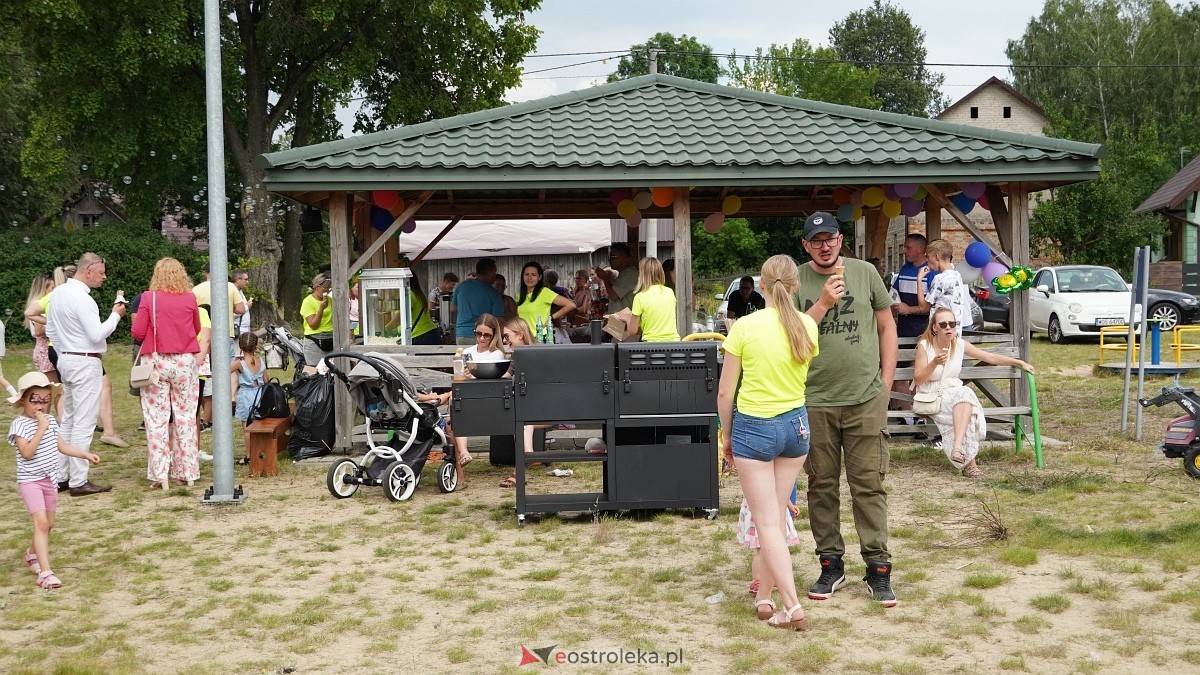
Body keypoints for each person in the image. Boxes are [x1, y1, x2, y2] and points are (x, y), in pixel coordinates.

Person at [792, 212, 899, 608]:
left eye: (830, 238)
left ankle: (878, 568)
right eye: (815, 240)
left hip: (865, 398)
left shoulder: (865, 272)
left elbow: (887, 326)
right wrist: (822, 303)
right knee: (821, 486)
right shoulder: (795, 281)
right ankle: (830, 563)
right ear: (805, 246)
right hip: (814, 399)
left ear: (840, 240)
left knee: (868, 485)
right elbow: (791, 337)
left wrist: (886, 384)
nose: (824, 245)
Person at [718, 254, 819, 630]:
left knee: (767, 524)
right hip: (797, 427)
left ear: (761, 285)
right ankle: (769, 600)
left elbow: (725, 393)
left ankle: (792, 606)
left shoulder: (744, 326)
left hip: (754, 426)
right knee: (775, 519)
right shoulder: (808, 325)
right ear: (796, 285)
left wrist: (727, 437)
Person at [913, 306, 1034, 478]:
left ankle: (957, 449)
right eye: (943, 324)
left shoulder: (960, 344)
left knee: (965, 395)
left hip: (954, 391)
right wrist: (934, 363)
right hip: (932, 393)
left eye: (952, 324)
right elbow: (918, 379)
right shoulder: (925, 346)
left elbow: (989, 357)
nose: (948, 328)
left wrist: (1019, 363)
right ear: (934, 327)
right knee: (967, 410)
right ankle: (970, 464)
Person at [8, 371, 100, 589]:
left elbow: (62, 446)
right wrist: (40, 429)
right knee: (40, 523)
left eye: (45, 400)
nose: (40, 406)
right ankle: (46, 573)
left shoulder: (50, 420)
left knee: (49, 524)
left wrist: (84, 454)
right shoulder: (19, 425)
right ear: (23, 401)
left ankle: (31, 554)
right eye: (35, 400)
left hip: (50, 480)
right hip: (30, 481)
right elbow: (27, 452)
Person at [45, 253, 124, 497]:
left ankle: (59, 477)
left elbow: (50, 329)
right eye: (101, 272)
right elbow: (96, 334)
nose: (104, 277)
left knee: (68, 418)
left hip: (66, 357)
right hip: (84, 359)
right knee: (84, 420)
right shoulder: (82, 299)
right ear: (87, 270)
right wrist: (115, 315)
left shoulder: (57, 294)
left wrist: (63, 352)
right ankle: (79, 480)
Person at [132, 258, 203, 490]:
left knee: (156, 419)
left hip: (156, 359)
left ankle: (160, 474)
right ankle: (188, 472)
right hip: (185, 360)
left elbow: (138, 331)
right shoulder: (190, 298)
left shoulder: (148, 298)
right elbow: (197, 328)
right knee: (186, 416)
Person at [450, 314, 506, 486]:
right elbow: (460, 377)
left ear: (494, 335)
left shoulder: (496, 354)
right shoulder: (467, 353)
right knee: (452, 418)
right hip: (467, 400)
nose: (481, 338)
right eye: (478, 333)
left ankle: (463, 457)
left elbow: (488, 380)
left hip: (487, 402)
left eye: (486, 335)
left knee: (455, 410)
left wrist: (470, 377)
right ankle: (463, 460)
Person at [738, 489, 802, 616]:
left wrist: (789, 504)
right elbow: (780, 488)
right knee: (766, 549)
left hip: (758, 507)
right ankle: (759, 580)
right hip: (769, 512)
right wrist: (788, 504)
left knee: (763, 550)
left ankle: (763, 583)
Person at [916, 239, 972, 337]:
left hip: (940, 335)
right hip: (954, 334)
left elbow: (923, 307)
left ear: (936, 257)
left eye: (927, 256)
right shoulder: (957, 275)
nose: (926, 260)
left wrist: (919, 279)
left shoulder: (939, 279)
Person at [516, 261, 577, 340]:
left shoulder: (544, 292)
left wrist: (551, 318)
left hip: (540, 338)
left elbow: (571, 305)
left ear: (540, 277)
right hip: (523, 338)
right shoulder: (520, 296)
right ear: (522, 276)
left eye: (533, 275)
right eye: (526, 274)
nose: (529, 278)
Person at [230, 332, 266, 464]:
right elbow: (266, 379)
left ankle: (249, 456)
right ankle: (260, 451)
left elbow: (224, 371)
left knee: (247, 427)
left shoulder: (239, 363)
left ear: (240, 346)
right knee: (259, 425)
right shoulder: (260, 361)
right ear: (256, 346)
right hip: (259, 394)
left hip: (246, 395)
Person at [624, 257, 679, 342]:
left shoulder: (640, 297)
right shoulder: (670, 292)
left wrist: (627, 318)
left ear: (641, 275)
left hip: (651, 345)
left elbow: (632, 331)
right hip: (673, 343)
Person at [451, 258, 505, 345]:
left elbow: (453, 308)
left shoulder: (462, 286)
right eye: (494, 272)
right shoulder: (493, 292)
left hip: (461, 334)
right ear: (489, 272)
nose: (495, 275)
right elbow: (499, 320)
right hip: (483, 335)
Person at [892, 233, 935, 338]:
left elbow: (936, 308)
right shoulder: (904, 269)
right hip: (902, 330)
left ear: (920, 249)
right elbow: (894, 295)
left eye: (908, 247)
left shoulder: (932, 273)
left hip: (924, 333)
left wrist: (909, 310)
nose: (904, 251)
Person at [300, 273, 335, 366]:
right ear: (317, 287)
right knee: (315, 372)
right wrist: (321, 309)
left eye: (329, 289)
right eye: (325, 288)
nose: (327, 291)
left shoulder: (330, 300)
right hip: (314, 340)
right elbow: (313, 325)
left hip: (330, 337)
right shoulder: (308, 302)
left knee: (331, 371)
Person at [593, 243, 637, 314]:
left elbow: (614, 295)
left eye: (612, 257)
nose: (610, 260)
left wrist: (605, 278)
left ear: (624, 257)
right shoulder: (624, 274)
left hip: (625, 322)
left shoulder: (630, 274)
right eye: (609, 258)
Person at [232, 269, 252, 336]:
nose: (247, 282)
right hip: (237, 330)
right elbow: (231, 314)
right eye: (245, 279)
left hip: (243, 330)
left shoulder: (240, 291)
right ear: (238, 280)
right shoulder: (232, 292)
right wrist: (246, 307)